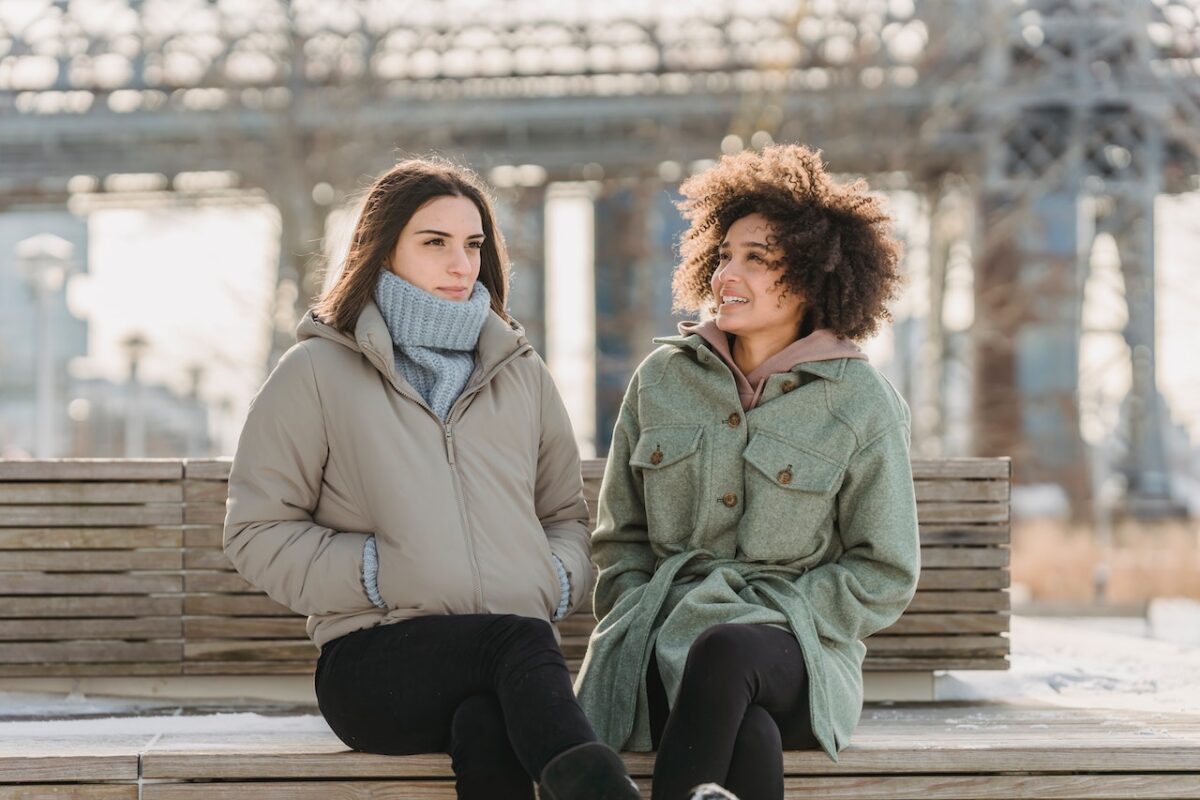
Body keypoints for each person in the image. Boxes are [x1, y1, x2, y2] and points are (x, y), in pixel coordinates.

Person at [224, 157, 638, 800]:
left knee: (490, 723)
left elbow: (564, 516)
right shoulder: (316, 372)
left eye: (473, 245)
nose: (461, 264)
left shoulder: (521, 373)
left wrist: (552, 578)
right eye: (435, 242)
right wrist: (374, 571)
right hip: (376, 661)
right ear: (383, 250)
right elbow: (256, 531)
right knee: (518, 644)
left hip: (511, 669)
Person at [575, 144, 921, 800]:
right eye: (725, 253)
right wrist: (638, 608)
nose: (728, 273)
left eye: (757, 259)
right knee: (751, 736)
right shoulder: (662, 380)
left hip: (795, 650)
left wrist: (780, 611)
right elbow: (621, 541)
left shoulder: (860, 402)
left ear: (818, 277)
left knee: (729, 651)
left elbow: (885, 571)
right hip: (660, 640)